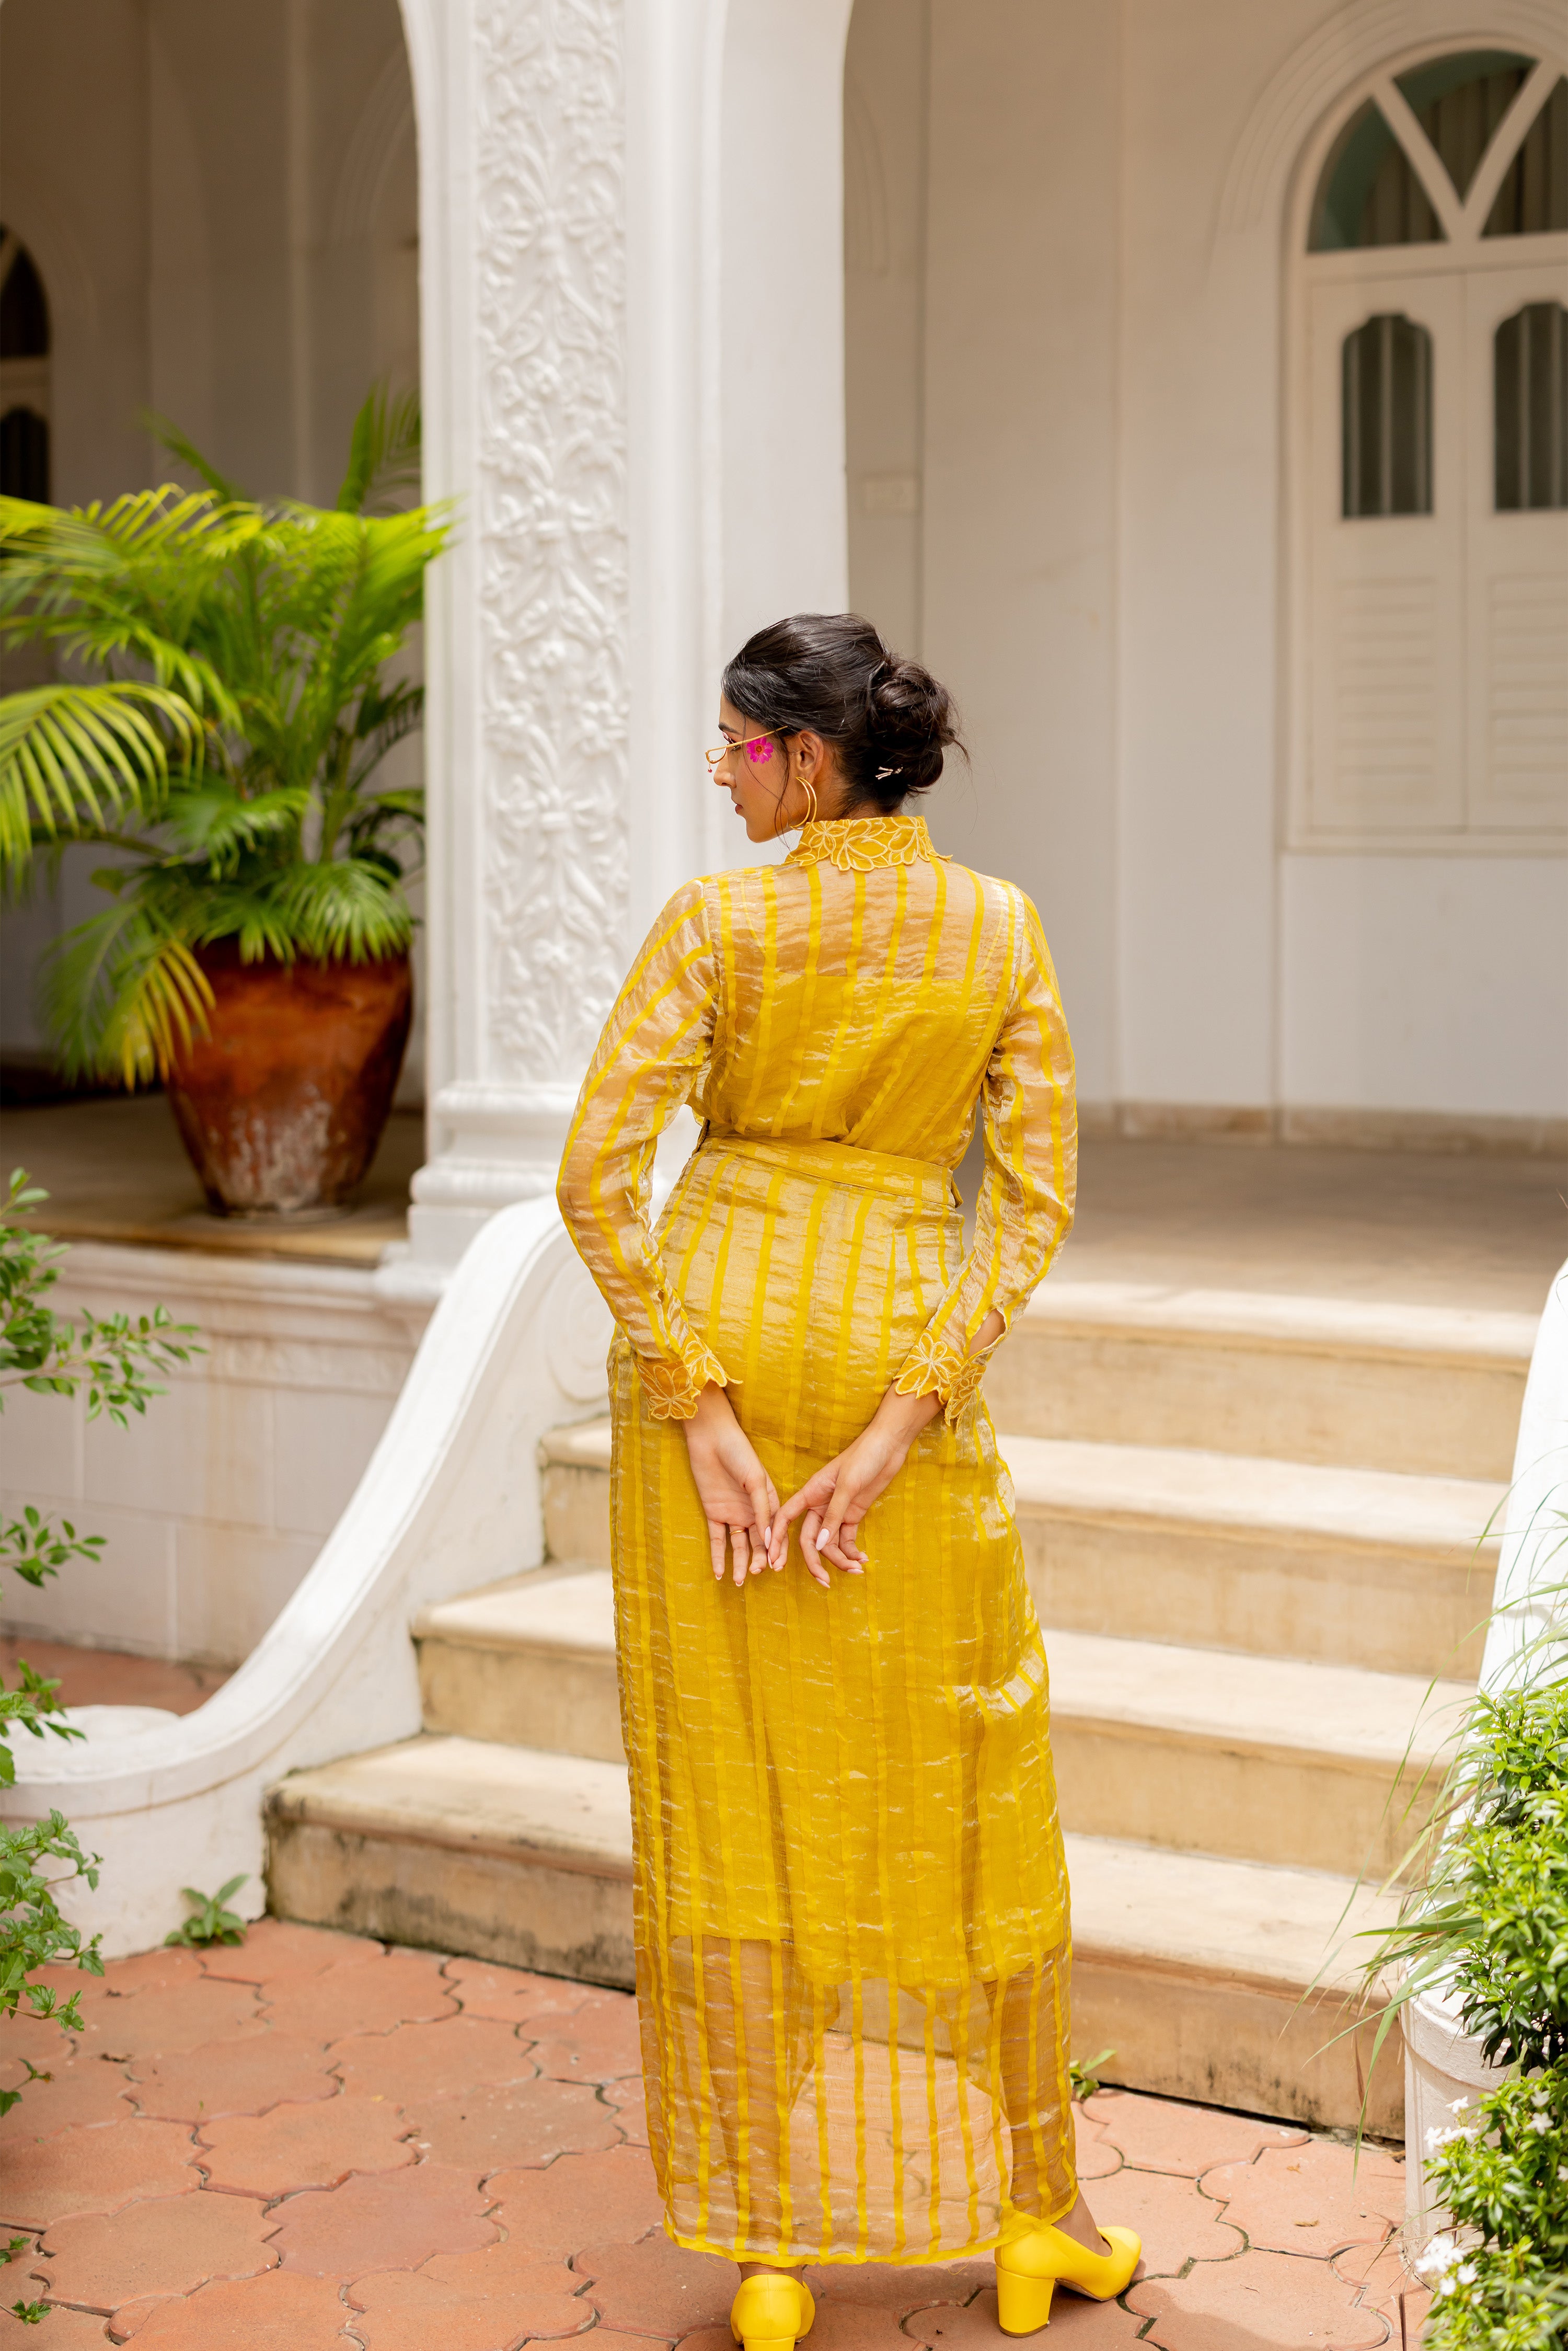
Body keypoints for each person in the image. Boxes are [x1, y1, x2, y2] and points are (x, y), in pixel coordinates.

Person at [557, 613, 1140, 2344]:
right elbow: (1030, 1203)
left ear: (808, 763)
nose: (718, 771)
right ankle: (1034, 2209)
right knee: (973, 1757)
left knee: (733, 1792)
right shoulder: (999, 924)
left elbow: (599, 1174)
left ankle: (768, 2249)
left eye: (735, 745)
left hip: (717, 1342)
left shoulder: (718, 920)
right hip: (901, 1353)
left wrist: (703, 1408)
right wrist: (903, 1423)